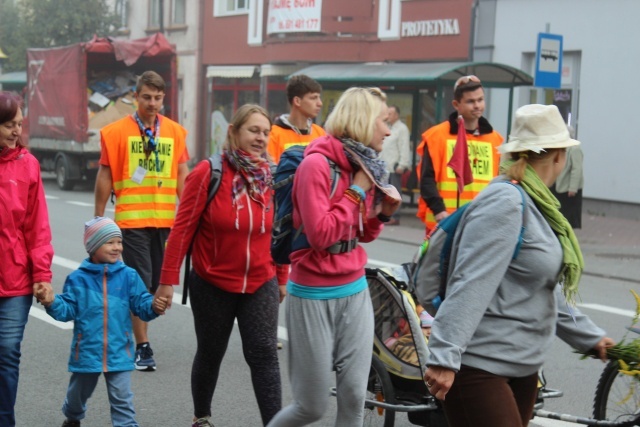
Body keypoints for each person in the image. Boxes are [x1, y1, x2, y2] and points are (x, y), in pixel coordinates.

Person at [423, 104, 614, 427]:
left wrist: (589, 337)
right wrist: (444, 355)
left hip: (522, 367)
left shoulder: (539, 206)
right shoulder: (506, 203)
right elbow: (470, 281)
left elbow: (540, 287)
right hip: (480, 368)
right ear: (558, 157)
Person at [267, 87, 401, 427]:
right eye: (383, 122)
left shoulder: (363, 165)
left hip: (354, 290)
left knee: (355, 398)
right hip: (312, 294)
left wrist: (382, 214)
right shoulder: (316, 164)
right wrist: (356, 190)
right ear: (361, 121)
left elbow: (359, 233)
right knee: (311, 406)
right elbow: (322, 234)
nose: (388, 130)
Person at [154, 104, 288, 427]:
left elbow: (281, 230)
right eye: (253, 130)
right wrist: (166, 281)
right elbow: (182, 230)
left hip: (260, 280)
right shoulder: (209, 172)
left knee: (265, 355)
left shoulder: (272, 177)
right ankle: (202, 417)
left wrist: (282, 276)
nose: (261, 138)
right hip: (212, 281)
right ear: (234, 132)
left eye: (265, 132)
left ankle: (275, 423)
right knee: (211, 353)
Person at [94, 70, 189, 372]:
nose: (152, 103)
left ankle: (126, 327)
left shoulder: (175, 132)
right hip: (131, 221)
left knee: (158, 287)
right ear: (135, 97)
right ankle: (143, 346)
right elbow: (105, 175)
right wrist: (98, 220)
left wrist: (189, 215)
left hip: (165, 222)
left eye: (158, 98)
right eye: (146, 97)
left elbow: (183, 174)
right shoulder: (116, 132)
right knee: (141, 284)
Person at [34, 217, 168, 427]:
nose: (117, 248)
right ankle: (72, 416)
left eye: (119, 242)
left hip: (119, 351)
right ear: (93, 246)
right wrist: (51, 302)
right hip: (86, 351)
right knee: (78, 395)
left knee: (122, 399)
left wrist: (153, 307)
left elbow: (141, 304)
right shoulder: (78, 278)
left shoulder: (129, 276)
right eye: (110, 242)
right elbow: (67, 309)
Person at [0, 91, 54, 426]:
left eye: (19, 124)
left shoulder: (28, 165)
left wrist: (42, 274)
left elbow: (38, 226)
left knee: (7, 353)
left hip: (15, 279)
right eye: (8, 124)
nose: (15, 130)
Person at [417, 75, 503, 232]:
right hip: (444, 223)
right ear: (456, 104)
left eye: (480, 100)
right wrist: (439, 211)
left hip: (481, 223)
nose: (477, 105)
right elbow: (426, 180)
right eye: (471, 101)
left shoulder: (495, 140)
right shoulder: (437, 137)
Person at [267, 74, 325, 163]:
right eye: (313, 98)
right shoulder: (274, 135)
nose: (320, 103)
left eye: (319, 98)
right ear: (297, 101)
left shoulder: (320, 133)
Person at [379, 105, 412, 225]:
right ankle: (386, 215)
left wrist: (402, 165)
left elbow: (404, 147)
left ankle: (395, 216)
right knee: (386, 192)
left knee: (395, 192)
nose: (388, 116)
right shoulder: (387, 127)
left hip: (395, 166)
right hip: (385, 167)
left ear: (397, 115)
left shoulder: (402, 129)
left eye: (390, 114)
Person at [551, 130, 584, 229]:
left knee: (568, 215)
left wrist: (572, 188)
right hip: (557, 185)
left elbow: (577, 169)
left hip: (568, 188)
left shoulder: (575, 149)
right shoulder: (559, 148)